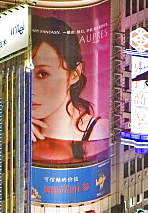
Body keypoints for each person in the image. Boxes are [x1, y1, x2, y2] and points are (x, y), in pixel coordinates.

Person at [31, 16, 109, 165]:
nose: (31, 89)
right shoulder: (17, 127)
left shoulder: (100, 130)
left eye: (43, 74)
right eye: (25, 74)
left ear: (75, 73)